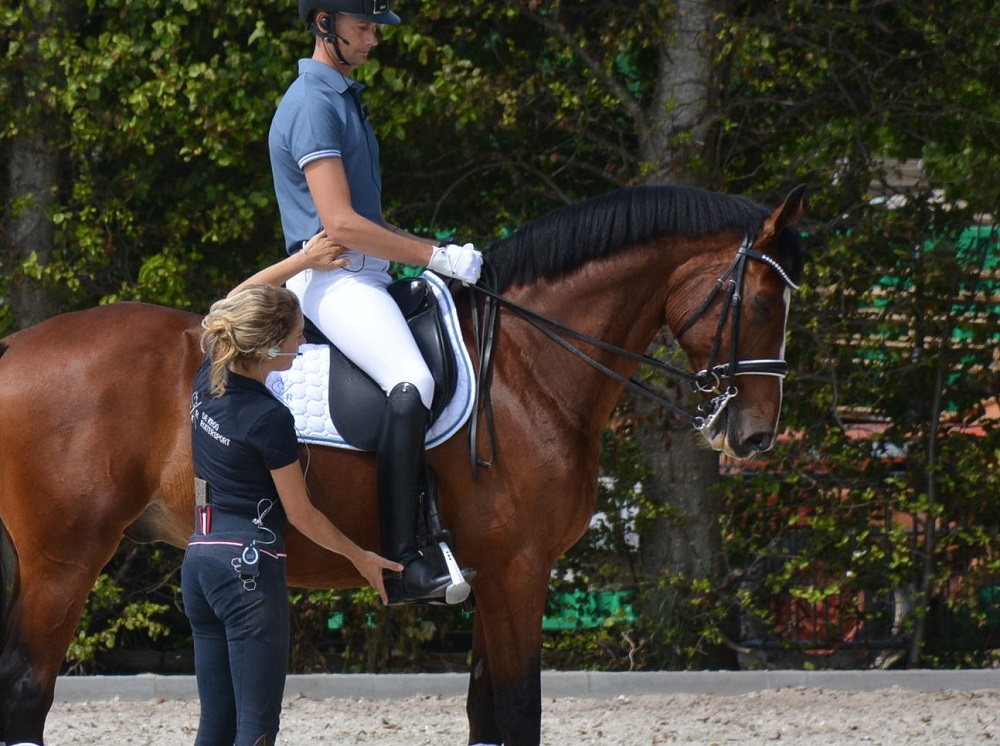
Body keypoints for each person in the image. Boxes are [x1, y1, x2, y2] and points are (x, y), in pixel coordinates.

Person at [268, 0, 480, 605]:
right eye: (363, 28)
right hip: (333, 279)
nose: (373, 39)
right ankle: (405, 561)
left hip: (369, 275)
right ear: (324, 24)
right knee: (410, 379)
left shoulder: (343, 97)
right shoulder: (312, 103)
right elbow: (339, 224)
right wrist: (435, 255)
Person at [182, 233, 403, 746]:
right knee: (257, 731)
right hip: (248, 572)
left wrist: (301, 262)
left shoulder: (206, 378)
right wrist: (360, 557)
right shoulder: (269, 417)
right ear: (268, 346)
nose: (304, 343)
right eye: (299, 336)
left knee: (215, 725)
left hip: (200, 563)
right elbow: (301, 515)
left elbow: (234, 300)